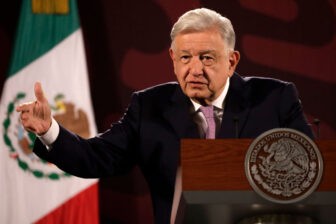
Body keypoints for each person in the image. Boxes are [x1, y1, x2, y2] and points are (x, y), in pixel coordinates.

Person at [17, 8, 314, 224]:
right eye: (185, 57)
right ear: (173, 59)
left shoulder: (274, 100)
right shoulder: (150, 107)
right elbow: (95, 157)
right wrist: (49, 130)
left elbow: (310, 173)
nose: (195, 69)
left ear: (232, 61)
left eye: (207, 58)